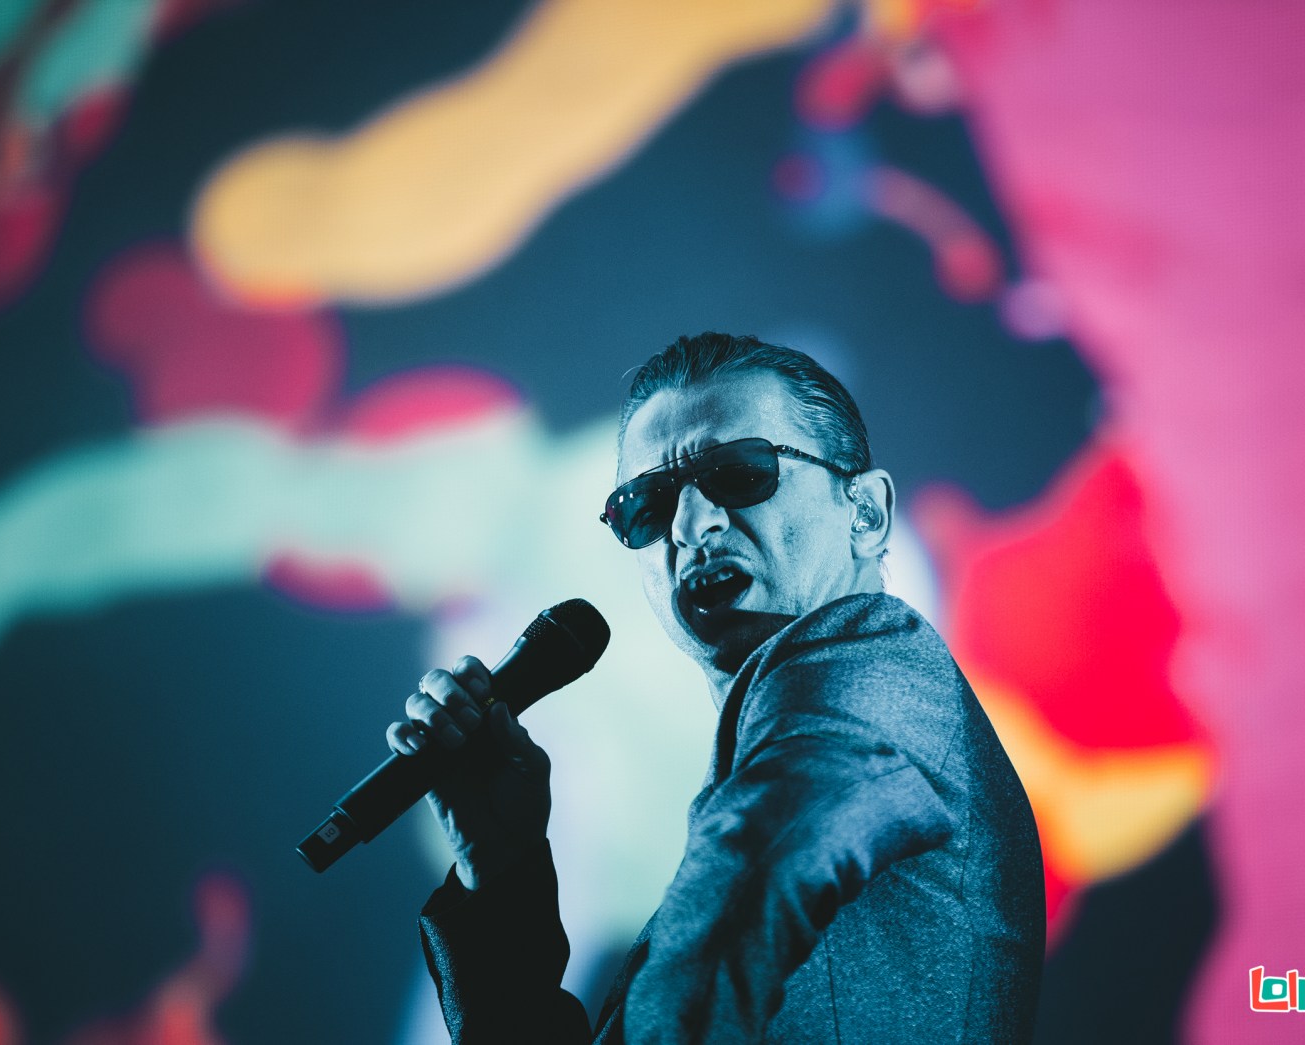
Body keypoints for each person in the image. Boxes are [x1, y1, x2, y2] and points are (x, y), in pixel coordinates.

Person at [388, 333, 1045, 1042]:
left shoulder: (868, 669)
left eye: (738, 473)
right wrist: (503, 868)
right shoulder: (753, 792)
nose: (689, 525)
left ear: (866, 513)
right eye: (646, 504)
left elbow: (762, 868)